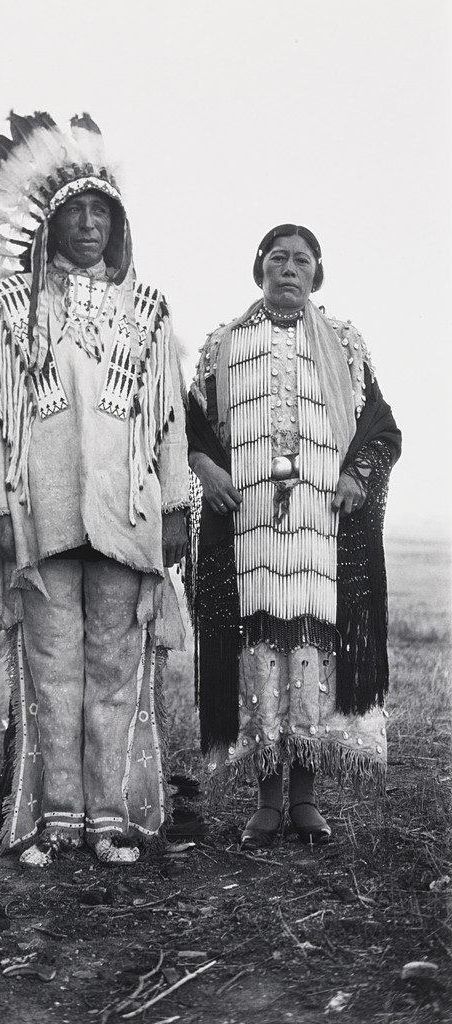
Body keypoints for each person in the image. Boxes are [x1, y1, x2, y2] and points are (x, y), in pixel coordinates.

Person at [0, 112, 189, 865]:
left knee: (118, 671)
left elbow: (169, 426)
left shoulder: (149, 314)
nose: (89, 226)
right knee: (53, 671)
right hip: (42, 515)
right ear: (52, 224)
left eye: (102, 214)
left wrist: (179, 508)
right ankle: (56, 814)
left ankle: (111, 814)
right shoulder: (12, 311)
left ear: (118, 227)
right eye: (76, 213)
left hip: (127, 517)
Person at [185, 224, 401, 849]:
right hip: (249, 528)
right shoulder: (222, 347)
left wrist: (358, 476)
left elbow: (381, 429)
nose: (289, 269)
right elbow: (194, 432)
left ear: (317, 273)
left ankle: (305, 799)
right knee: (259, 651)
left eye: (302, 260)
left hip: (321, 532)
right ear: (259, 268)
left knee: (312, 650)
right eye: (278, 258)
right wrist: (207, 468)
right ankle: (267, 803)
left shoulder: (345, 346)